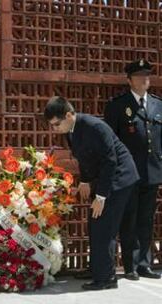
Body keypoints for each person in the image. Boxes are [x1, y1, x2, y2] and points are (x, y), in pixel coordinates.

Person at [44, 96, 139, 290]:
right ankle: (97, 268)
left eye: (56, 124)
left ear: (69, 114)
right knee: (95, 223)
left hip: (120, 177)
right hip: (105, 177)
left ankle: (106, 278)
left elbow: (110, 160)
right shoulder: (72, 130)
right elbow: (84, 157)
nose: (55, 129)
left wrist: (101, 197)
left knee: (103, 224)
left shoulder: (94, 126)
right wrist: (85, 181)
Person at [104, 59, 162, 280]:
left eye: (147, 75)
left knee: (146, 219)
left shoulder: (158, 105)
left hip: (153, 171)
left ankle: (144, 264)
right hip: (129, 173)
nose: (144, 79)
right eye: (139, 75)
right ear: (129, 80)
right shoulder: (118, 105)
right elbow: (111, 141)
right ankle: (130, 266)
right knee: (129, 218)